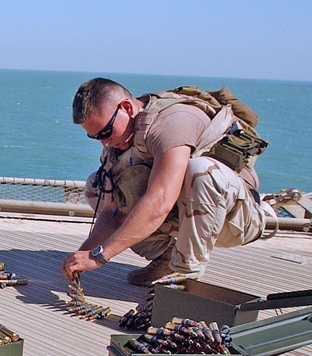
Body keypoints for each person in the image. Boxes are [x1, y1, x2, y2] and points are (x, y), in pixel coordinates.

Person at [61, 77, 274, 286]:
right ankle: (167, 259)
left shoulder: (170, 124)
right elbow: (111, 212)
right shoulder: (117, 145)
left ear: (126, 108)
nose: (104, 142)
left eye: (106, 132)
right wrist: (85, 253)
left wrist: (101, 256)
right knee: (94, 188)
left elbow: (160, 201)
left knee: (200, 171)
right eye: (95, 136)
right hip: (185, 214)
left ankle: (184, 277)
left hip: (236, 219)